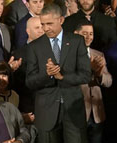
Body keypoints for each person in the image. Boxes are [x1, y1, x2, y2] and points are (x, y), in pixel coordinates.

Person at [25, 3, 91, 143]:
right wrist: (47, 74)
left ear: (61, 20)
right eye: (43, 24)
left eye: (49, 23)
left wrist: (62, 77)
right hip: (46, 112)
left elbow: (86, 75)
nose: (45, 28)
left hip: (73, 110)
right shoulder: (34, 47)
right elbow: (29, 81)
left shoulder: (76, 41)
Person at [74, 21, 112, 143]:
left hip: (97, 114)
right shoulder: (69, 56)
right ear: (76, 34)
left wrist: (100, 74)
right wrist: (90, 69)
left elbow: (109, 81)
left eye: (91, 34)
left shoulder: (98, 54)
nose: (88, 37)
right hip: (78, 114)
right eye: (84, 33)